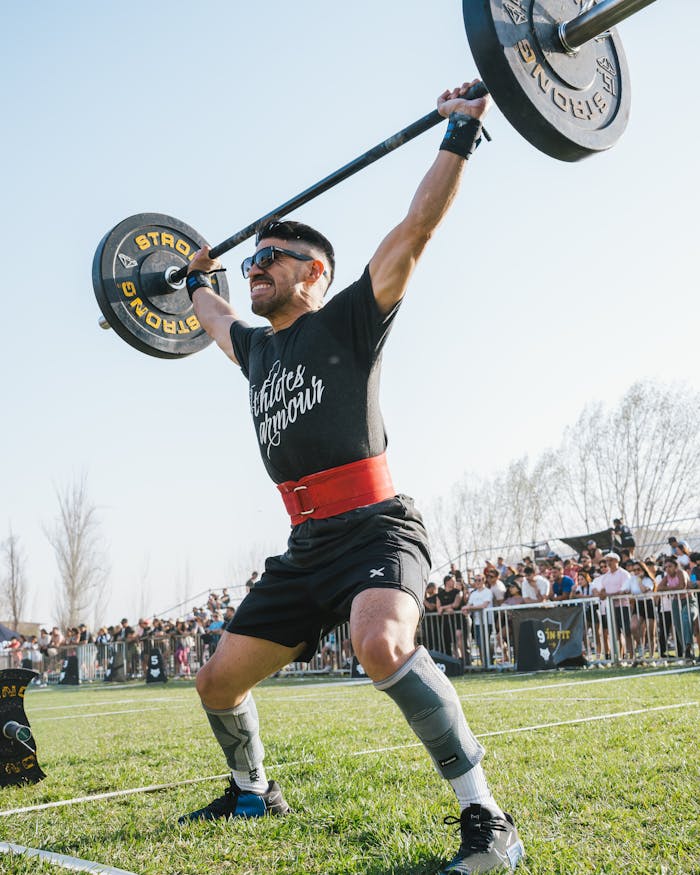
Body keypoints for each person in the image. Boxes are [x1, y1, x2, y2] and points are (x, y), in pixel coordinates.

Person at [178, 81, 523, 872]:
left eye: (270, 259)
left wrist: (461, 131)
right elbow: (207, 312)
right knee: (216, 684)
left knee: (380, 642)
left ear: (315, 272)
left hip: (374, 525)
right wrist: (196, 272)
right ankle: (252, 788)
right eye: (253, 259)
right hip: (305, 548)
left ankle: (489, 820)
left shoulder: (350, 318)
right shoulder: (257, 352)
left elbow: (415, 231)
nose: (256, 268)